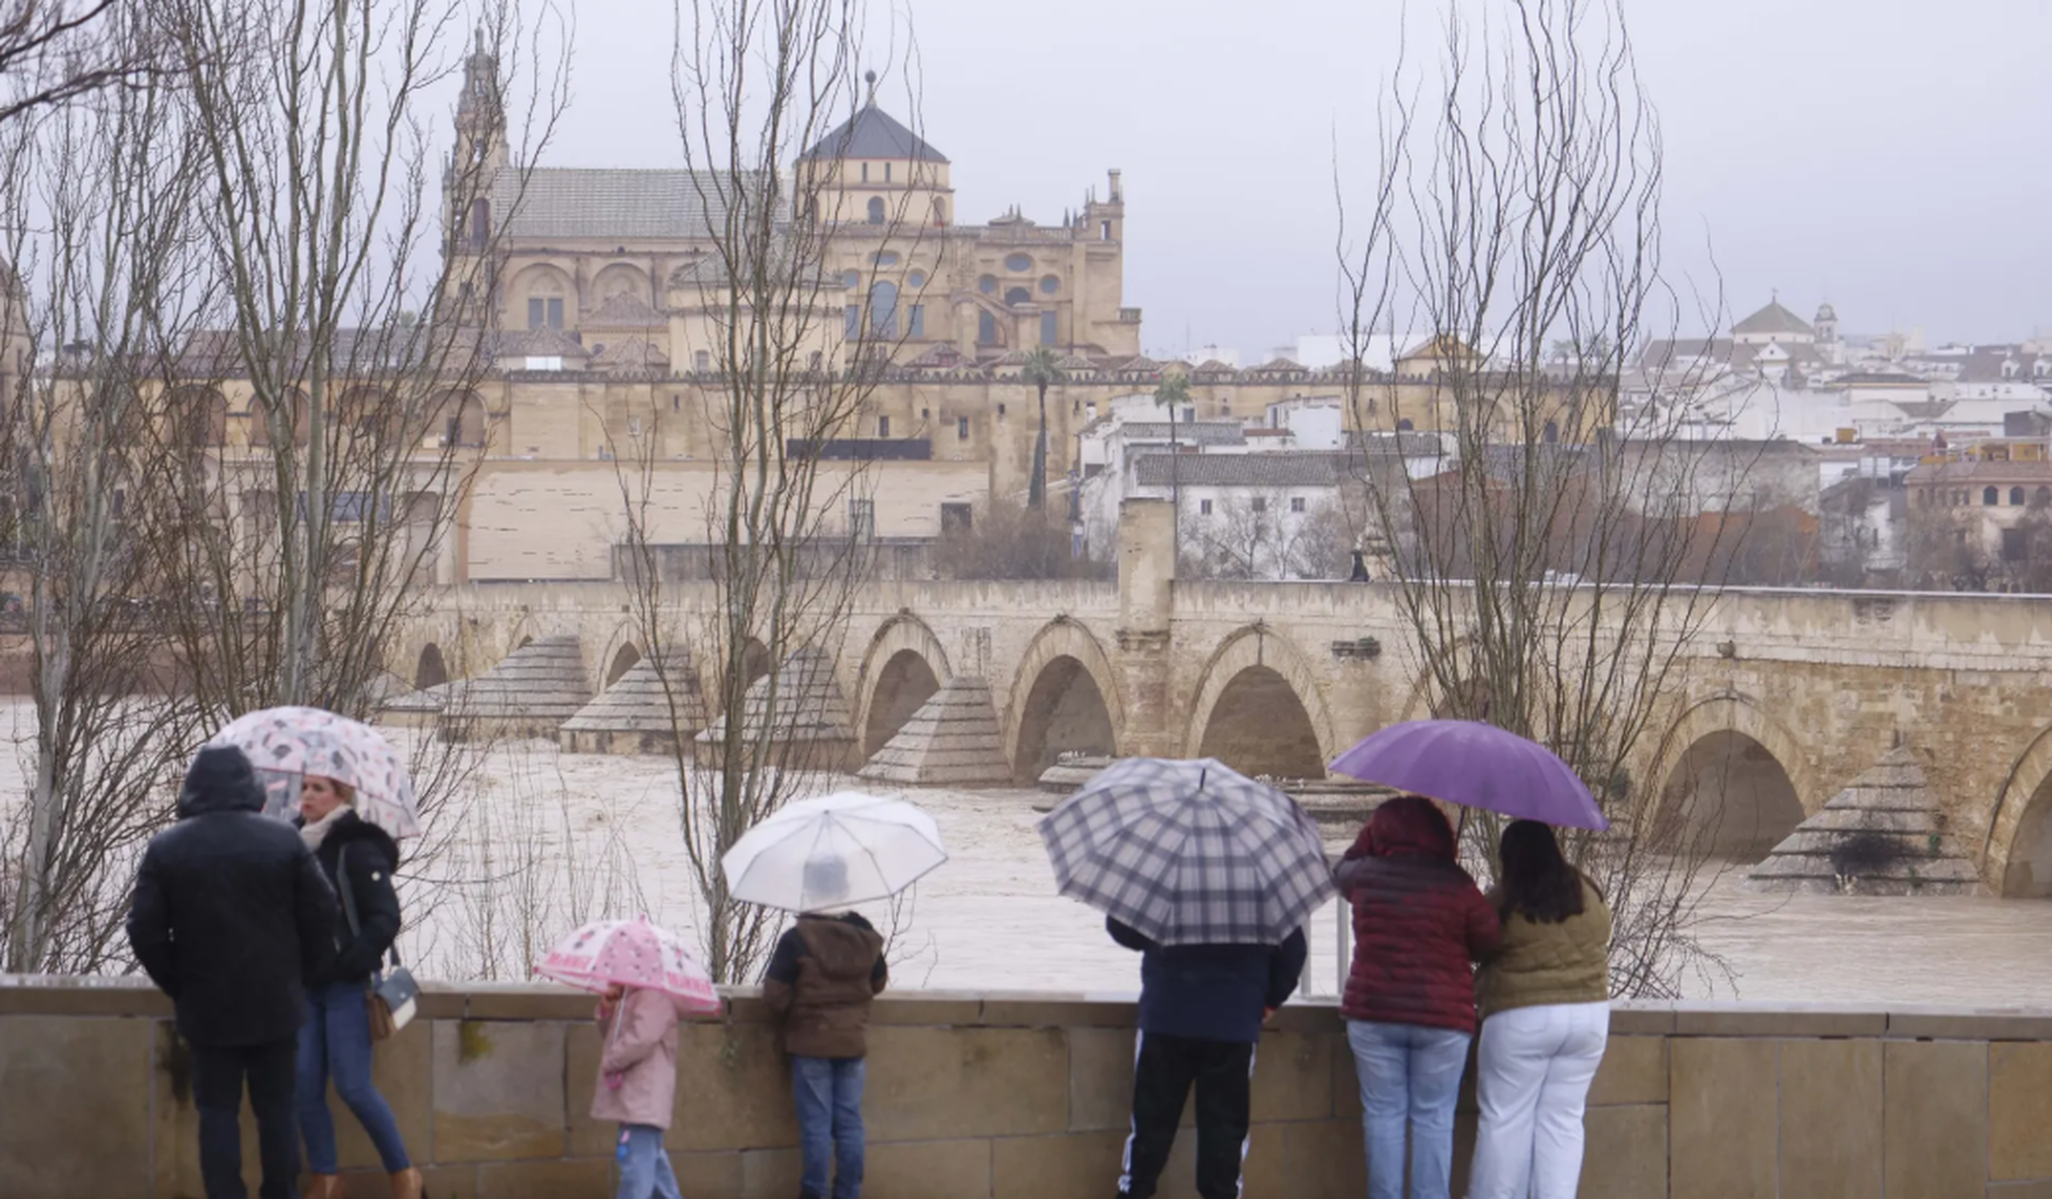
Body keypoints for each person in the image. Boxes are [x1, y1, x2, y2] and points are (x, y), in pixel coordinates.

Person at [127, 745, 339, 1199]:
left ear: (193, 790)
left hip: (207, 1007)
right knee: (278, 1112)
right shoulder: (285, 840)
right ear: (252, 788)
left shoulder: (167, 847)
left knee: (217, 1113)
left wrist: (180, 983)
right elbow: (324, 914)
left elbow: (143, 929)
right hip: (276, 1004)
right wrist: (298, 975)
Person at [1334, 795, 1501, 1199]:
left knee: (1383, 1115)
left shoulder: (1366, 875)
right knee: (1434, 1119)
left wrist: (1368, 840)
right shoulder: (1457, 883)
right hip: (1443, 1018)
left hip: (1374, 1012)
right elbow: (1490, 940)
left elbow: (1339, 872)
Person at [1108, 915, 1308, 1199]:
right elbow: (1293, 951)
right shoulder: (1259, 894)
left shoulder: (1168, 887)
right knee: (1224, 1130)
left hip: (1166, 1015)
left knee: (1150, 1123)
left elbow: (1123, 930)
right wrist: (1269, 999)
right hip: (1233, 1022)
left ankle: (1135, 1190)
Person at [1466, 820, 1613, 1199]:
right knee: (1563, 1121)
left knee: (1504, 1119)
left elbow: (1472, 944)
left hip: (1520, 1017)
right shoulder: (1587, 891)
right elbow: (1603, 933)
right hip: (1588, 1016)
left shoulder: (1505, 898)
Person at [295, 774, 421, 1199]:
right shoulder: (292, 846)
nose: (307, 795)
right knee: (303, 1084)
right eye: (304, 787)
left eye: (318, 788)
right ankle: (326, 1177)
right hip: (304, 985)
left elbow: (385, 917)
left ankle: (404, 1173)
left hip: (349, 986)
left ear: (342, 796)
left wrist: (350, 962)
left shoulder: (357, 847)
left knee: (353, 1086)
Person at [761, 859, 889, 1199]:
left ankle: (814, 1192)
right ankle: (849, 1192)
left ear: (808, 890)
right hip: (852, 1042)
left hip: (810, 1043)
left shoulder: (796, 939)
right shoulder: (864, 933)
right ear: (845, 889)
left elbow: (774, 996)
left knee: (816, 1125)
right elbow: (878, 983)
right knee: (849, 1123)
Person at [592, 981, 685, 1199]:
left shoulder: (654, 996)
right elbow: (614, 1037)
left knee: (636, 1172)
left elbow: (641, 1038)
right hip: (635, 1099)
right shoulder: (633, 996)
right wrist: (608, 1009)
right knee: (654, 1172)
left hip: (642, 1098)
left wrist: (611, 1061)